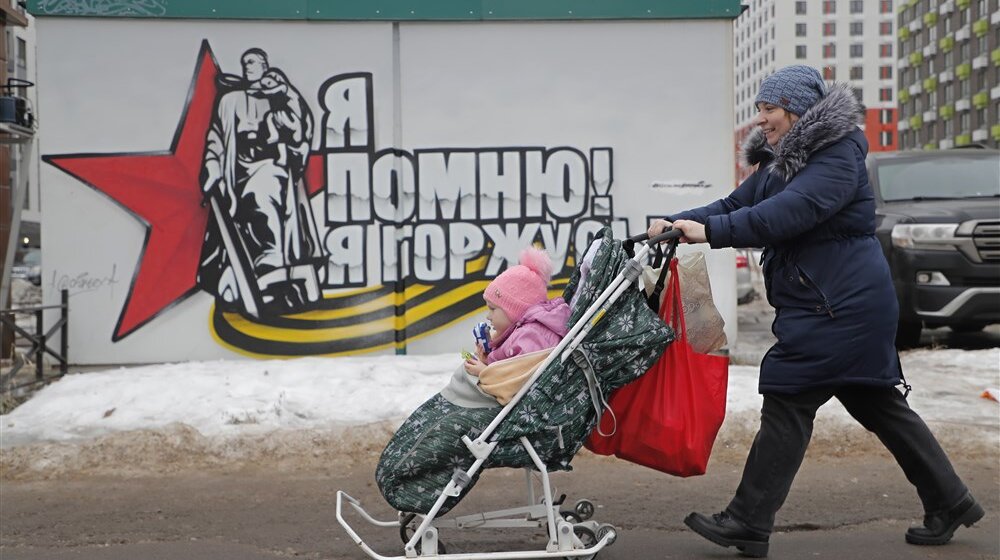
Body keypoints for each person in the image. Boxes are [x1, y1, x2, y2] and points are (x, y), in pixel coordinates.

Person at [647, 65, 984, 558]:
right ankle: (950, 500)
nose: (760, 119)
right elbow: (735, 204)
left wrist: (712, 233)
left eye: (769, 109)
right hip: (828, 302)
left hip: (840, 307)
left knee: (789, 395)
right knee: (878, 403)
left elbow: (789, 214)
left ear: (797, 110)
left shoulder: (837, 156)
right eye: (759, 109)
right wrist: (680, 223)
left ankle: (748, 520)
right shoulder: (778, 163)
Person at [198, 48, 326, 313]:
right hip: (236, 174)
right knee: (245, 206)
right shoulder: (229, 100)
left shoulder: (278, 98)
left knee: (263, 192)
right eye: (244, 62)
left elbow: (299, 130)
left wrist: (284, 96)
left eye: (253, 62)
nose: (248, 66)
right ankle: (248, 274)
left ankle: (272, 259)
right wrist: (212, 168)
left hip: (270, 168)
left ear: (265, 66)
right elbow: (216, 138)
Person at [463, 247, 571, 376]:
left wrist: (485, 372)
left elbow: (520, 378)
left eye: (492, 309)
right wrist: (489, 359)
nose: (488, 316)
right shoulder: (518, 332)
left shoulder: (530, 335)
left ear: (514, 310)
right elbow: (510, 363)